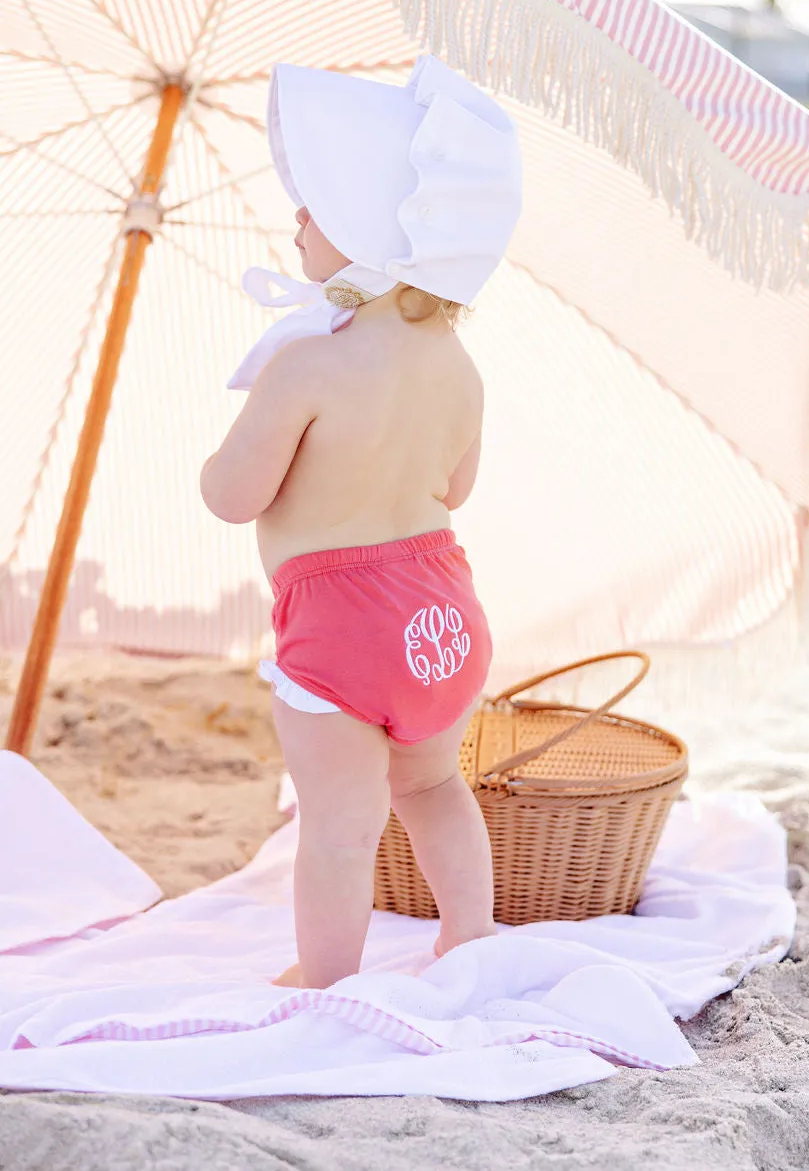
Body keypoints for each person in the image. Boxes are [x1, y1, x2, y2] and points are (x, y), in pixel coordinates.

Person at [200, 56, 522, 988]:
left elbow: (235, 496)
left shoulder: (305, 365)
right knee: (431, 785)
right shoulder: (459, 366)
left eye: (315, 200)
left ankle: (324, 976)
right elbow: (454, 490)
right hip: (440, 612)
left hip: (341, 624)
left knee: (338, 830)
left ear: (365, 226)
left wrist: (214, 465)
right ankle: (468, 933)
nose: (297, 216)